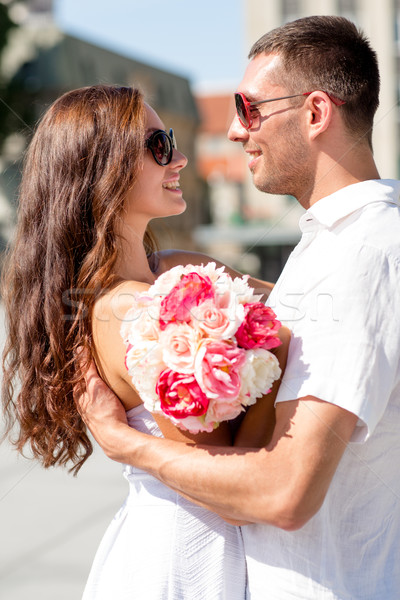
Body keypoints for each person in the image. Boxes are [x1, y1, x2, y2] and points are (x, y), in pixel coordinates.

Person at [77, 15, 400, 599]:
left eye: (249, 109)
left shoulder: (360, 254)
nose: (231, 130)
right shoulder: (330, 245)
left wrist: (126, 444)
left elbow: (283, 495)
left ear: (315, 113)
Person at [1, 84, 291, 599]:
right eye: (159, 145)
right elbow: (227, 494)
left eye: (172, 140)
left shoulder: (176, 270)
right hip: (187, 559)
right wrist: (277, 354)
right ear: (103, 169)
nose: (178, 158)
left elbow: (299, 298)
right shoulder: (129, 310)